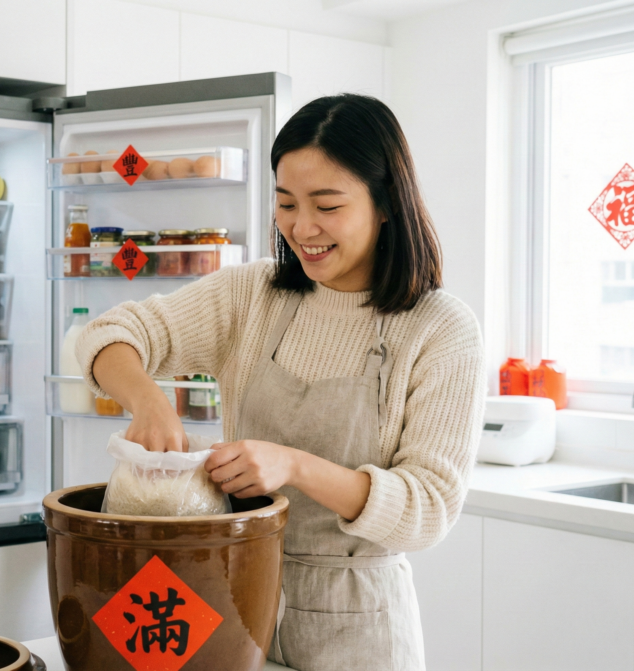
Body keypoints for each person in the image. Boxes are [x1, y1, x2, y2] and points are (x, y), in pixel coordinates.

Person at [76, 94, 486, 671]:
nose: (302, 227)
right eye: (286, 203)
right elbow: (108, 333)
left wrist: (295, 466)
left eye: (327, 205)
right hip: (231, 597)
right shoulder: (250, 295)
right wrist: (146, 397)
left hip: (360, 624)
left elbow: (429, 510)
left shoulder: (440, 328)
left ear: (386, 203)